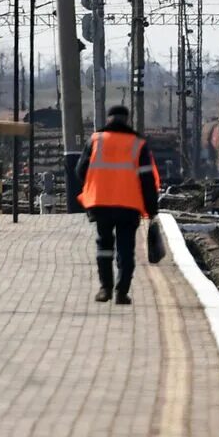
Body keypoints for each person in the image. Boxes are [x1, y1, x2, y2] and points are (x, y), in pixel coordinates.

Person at [76, 105, 160, 305]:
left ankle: (105, 289)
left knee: (104, 245)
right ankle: (122, 292)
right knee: (126, 248)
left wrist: (94, 185)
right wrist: (152, 210)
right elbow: (147, 180)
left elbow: (80, 171)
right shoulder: (138, 143)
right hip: (128, 205)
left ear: (109, 119)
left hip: (101, 202)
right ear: (127, 120)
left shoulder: (95, 140)